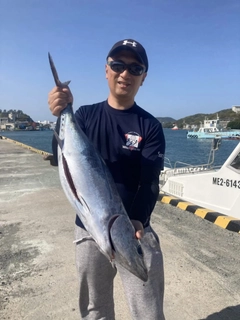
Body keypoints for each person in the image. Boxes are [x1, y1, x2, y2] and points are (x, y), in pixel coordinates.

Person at [48, 39, 166, 320]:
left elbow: (150, 181)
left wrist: (137, 219)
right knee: (95, 310)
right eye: (118, 65)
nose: (125, 73)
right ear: (106, 70)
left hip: (134, 229)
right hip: (88, 230)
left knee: (148, 311)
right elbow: (62, 158)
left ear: (143, 78)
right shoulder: (85, 116)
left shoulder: (149, 126)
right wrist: (60, 114)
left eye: (135, 68)